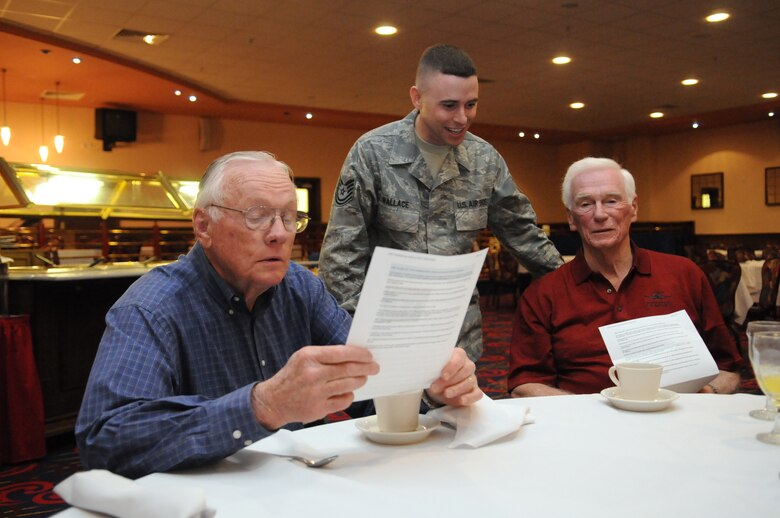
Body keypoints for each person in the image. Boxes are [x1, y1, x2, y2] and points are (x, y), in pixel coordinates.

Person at [76, 151, 482, 479]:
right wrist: (263, 405)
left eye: (290, 217)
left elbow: (365, 383)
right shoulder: (151, 308)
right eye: (256, 215)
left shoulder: (299, 287)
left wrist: (428, 386)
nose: (279, 233)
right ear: (204, 225)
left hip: (292, 489)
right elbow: (106, 441)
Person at [319, 44, 562, 362]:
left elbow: (524, 235)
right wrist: (361, 332)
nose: (462, 118)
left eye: (471, 104)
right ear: (417, 98)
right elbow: (340, 255)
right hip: (386, 336)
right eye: (449, 105)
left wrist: (577, 290)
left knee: (453, 414)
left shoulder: (484, 160)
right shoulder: (373, 153)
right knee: (394, 415)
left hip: (457, 341)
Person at [508, 157, 743, 397]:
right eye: (585, 204)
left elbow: (728, 369)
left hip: (679, 419)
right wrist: (595, 413)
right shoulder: (543, 294)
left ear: (634, 208)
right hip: (587, 428)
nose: (600, 214)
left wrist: (707, 393)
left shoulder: (685, 274)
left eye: (612, 201)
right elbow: (525, 385)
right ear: (571, 218)